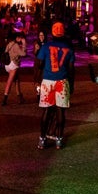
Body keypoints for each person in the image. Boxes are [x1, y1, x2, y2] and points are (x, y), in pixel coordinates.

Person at [34, 21, 75, 150]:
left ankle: (42, 139)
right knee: (60, 111)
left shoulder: (46, 46)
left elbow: (39, 64)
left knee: (46, 111)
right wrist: (71, 85)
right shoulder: (69, 49)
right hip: (62, 81)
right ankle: (59, 139)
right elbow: (71, 69)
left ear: (52, 32)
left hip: (47, 81)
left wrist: (37, 78)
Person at [2, 32, 27, 106]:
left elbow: (5, 52)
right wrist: (24, 44)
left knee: (17, 80)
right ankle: (4, 99)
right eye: (20, 38)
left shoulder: (10, 43)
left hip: (7, 64)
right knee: (9, 81)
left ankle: (20, 97)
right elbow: (23, 54)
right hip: (13, 65)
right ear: (17, 38)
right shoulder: (16, 45)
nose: (21, 39)